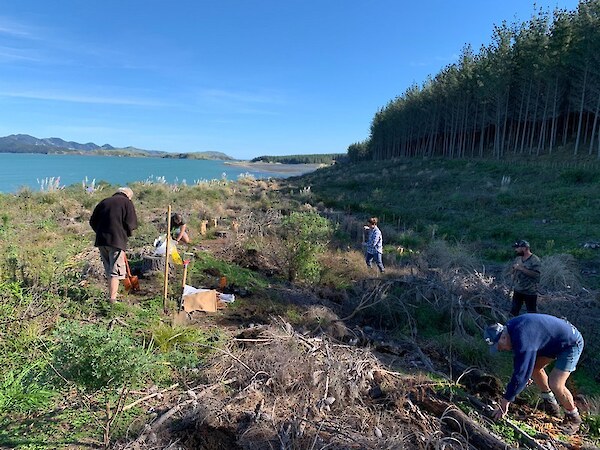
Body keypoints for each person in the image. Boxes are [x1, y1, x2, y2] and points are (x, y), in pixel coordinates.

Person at [484, 314, 584, 434]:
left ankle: (574, 417)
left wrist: (505, 401)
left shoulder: (522, 337)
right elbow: (523, 368)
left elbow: (521, 373)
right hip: (553, 341)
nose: (501, 349)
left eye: (499, 346)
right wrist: (523, 377)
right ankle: (551, 404)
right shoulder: (511, 329)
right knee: (534, 368)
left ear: (504, 337)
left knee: (556, 383)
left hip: (571, 343)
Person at [89, 187, 138, 303]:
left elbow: (92, 221)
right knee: (115, 271)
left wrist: (101, 232)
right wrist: (125, 234)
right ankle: (112, 300)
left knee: (109, 269)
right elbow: (131, 223)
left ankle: (112, 294)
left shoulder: (104, 202)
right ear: (128, 196)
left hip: (101, 241)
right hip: (117, 241)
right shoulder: (127, 202)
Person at [510, 239, 541, 316]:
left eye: (517, 248)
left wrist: (522, 269)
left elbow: (536, 275)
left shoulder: (535, 260)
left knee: (532, 314)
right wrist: (513, 271)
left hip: (530, 292)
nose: (516, 250)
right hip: (518, 290)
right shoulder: (518, 259)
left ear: (524, 248)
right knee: (514, 312)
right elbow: (514, 271)